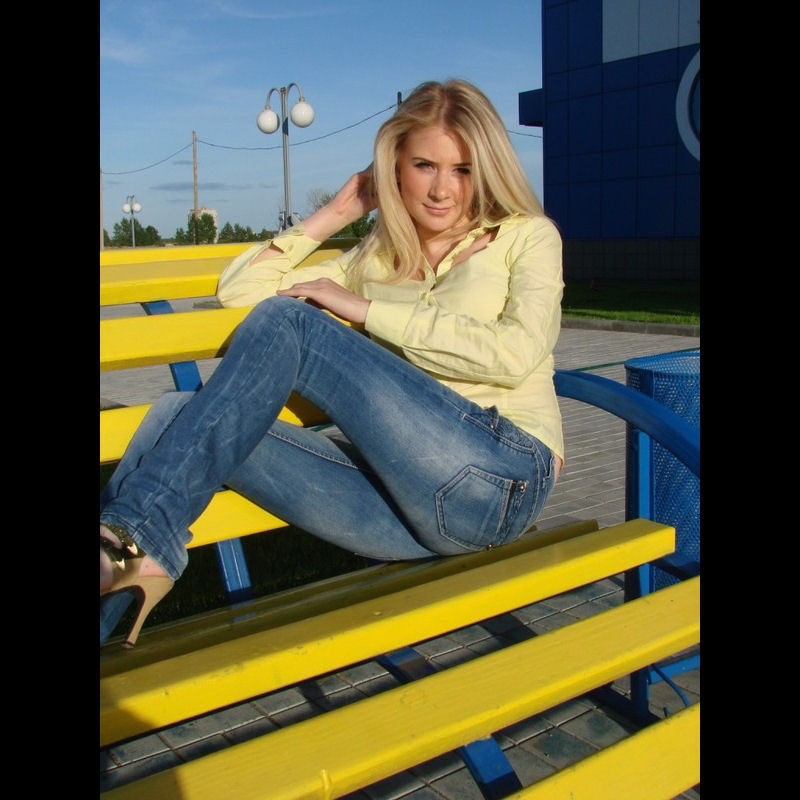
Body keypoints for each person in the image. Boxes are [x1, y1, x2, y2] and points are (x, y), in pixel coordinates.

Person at [100, 79, 564, 647]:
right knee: (174, 415)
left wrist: (366, 311)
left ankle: (133, 536)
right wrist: (341, 210)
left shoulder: (527, 238)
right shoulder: (377, 257)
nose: (443, 189)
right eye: (424, 166)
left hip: (502, 479)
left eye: (463, 170)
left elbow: (516, 353)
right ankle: (126, 559)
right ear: (394, 166)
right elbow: (241, 291)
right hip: (416, 510)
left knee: (291, 323)